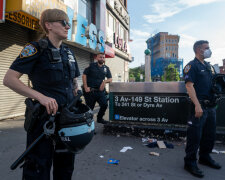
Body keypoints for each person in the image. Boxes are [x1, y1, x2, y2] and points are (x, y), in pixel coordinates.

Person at [3, 9, 80, 180]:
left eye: (68, 23)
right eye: (64, 23)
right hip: (43, 121)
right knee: (38, 168)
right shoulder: (34, 49)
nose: (68, 27)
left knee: (66, 166)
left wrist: (76, 91)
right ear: (49, 25)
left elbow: (73, 81)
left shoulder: (69, 52)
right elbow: (9, 79)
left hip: (67, 120)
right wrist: (41, 97)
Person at [183, 40, 222, 178]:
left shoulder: (209, 66)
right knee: (195, 136)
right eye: (207, 48)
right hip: (198, 106)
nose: (209, 50)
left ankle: (204, 157)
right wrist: (197, 106)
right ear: (199, 50)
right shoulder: (191, 66)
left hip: (211, 107)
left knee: (209, 135)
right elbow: (189, 86)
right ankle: (190, 162)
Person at [82, 53, 112, 124]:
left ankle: (99, 118)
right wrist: (85, 87)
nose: (102, 59)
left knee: (104, 105)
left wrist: (104, 82)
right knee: (89, 110)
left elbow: (110, 79)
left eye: (103, 57)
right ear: (97, 58)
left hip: (100, 92)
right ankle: (89, 125)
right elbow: (84, 75)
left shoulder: (106, 68)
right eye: (100, 57)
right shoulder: (91, 65)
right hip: (90, 92)